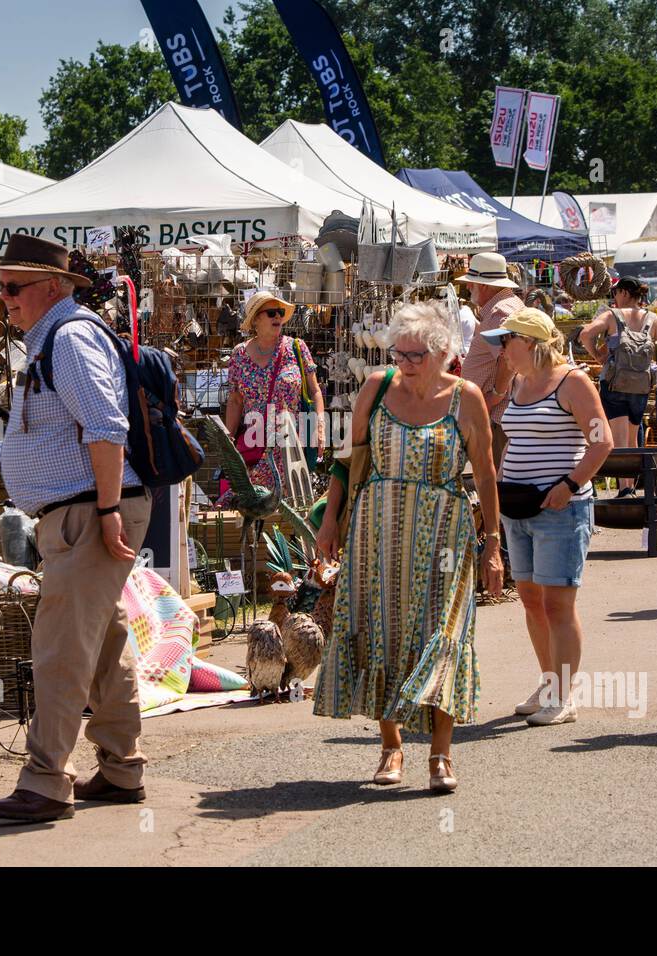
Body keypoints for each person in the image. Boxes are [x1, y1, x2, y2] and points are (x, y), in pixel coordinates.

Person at [0, 235, 152, 822]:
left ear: (52, 287)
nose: (4, 297)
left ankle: (46, 780)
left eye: (13, 286)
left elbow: (106, 427)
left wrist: (106, 513)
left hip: (89, 511)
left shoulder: (69, 336)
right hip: (85, 510)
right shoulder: (57, 336)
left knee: (59, 648)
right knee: (102, 642)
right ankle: (122, 767)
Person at [314, 301, 503, 793]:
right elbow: (346, 461)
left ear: (444, 352)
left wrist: (494, 544)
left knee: (442, 633)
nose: (405, 363)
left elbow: (484, 473)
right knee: (384, 630)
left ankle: (440, 755)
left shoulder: (467, 398)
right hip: (375, 530)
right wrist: (329, 522)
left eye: (416, 355)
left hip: (444, 531)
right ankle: (390, 748)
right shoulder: (376, 389)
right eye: (400, 353)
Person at [485, 308, 613, 725]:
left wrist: (570, 485)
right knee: (531, 599)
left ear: (531, 343)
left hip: (561, 507)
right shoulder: (520, 382)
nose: (502, 349)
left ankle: (564, 693)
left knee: (558, 602)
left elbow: (601, 441)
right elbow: (513, 440)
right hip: (519, 506)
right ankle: (549, 682)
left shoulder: (572, 381)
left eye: (508, 340)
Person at [578, 276, 657, 494]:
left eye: (615, 293)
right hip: (641, 386)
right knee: (632, 438)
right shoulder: (652, 319)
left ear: (624, 293)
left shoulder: (611, 316)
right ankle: (632, 486)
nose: (614, 298)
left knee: (619, 439)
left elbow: (585, 334)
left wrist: (598, 356)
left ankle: (624, 488)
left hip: (615, 385)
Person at [218, 291, 325, 503]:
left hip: (291, 449)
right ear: (256, 318)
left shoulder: (296, 348)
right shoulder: (239, 354)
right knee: (246, 506)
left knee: (289, 509)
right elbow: (235, 400)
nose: (278, 317)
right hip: (255, 447)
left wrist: (320, 424)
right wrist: (228, 441)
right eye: (271, 313)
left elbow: (315, 391)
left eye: (281, 312)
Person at [457, 251, 525, 463]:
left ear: (484, 285)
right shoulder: (507, 306)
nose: (468, 287)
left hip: (499, 414)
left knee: (500, 484)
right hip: (503, 412)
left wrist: (495, 394)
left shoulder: (499, 312)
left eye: (472, 283)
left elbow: (509, 360)